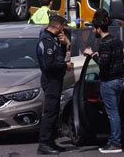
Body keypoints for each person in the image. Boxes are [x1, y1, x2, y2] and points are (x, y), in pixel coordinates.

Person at [83, 9, 124, 154]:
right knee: (116, 113)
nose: (93, 31)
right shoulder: (117, 41)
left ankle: (115, 142)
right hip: (119, 80)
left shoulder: (105, 43)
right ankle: (114, 140)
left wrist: (91, 54)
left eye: (94, 28)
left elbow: (103, 63)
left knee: (112, 114)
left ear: (98, 28)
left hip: (109, 82)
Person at [37, 15, 74, 155]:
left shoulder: (54, 39)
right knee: (50, 112)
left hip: (56, 79)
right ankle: (44, 144)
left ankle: (51, 141)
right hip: (50, 79)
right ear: (58, 26)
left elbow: (58, 56)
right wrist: (66, 65)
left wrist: (66, 45)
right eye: (63, 27)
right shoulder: (46, 41)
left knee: (55, 111)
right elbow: (49, 64)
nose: (63, 30)